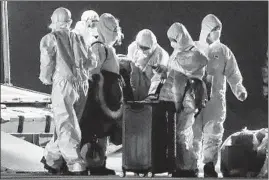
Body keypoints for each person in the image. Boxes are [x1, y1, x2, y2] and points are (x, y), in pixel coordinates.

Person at [39, 7, 97, 175]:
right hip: (82, 84)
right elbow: (91, 61)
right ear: (70, 21)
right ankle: (52, 158)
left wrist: (47, 78)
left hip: (63, 84)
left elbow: (47, 62)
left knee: (65, 123)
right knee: (70, 124)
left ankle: (75, 162)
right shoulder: (79, 37)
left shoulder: (50, 38)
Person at [192, 14, 248, 177]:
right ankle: (190, 164)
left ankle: (209, 164)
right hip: (195, 97)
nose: (218, 32)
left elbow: (233, 73)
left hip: (215, 99)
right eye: (214, 29)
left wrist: (239, 89)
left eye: (219, 29)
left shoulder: (223, 51)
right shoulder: (194, 48)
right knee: (193, 131)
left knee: (214, 130)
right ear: (206, 30)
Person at [158, 22, 208, 177]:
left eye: (174, 39)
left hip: (188, 97)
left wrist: (170, 66)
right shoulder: (178, 52)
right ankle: (183, 165)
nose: (172, 43)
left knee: (183, 131)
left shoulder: (195, 54)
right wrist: (164, 70)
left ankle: (187, 167)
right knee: (180, 132)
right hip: (178, 97)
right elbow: (175, 69)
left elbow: (186, 66)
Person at [79, 13, 124, 175]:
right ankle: (94, 163)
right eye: (113, 29)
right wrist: (99, 96)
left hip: (107, 96)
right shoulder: (98, 46)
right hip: (101, 97)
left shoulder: (105, 46)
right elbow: (93, 72)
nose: (116, 32)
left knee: (104, 130)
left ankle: (100, 162)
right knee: (96, 129)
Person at [127, 29, 169, 97]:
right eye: (141, 47)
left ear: (153, 46)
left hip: (149, 84)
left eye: (146, 48)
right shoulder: (132, 48)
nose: (143, 50)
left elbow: (159, 79)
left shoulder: (162, 55)